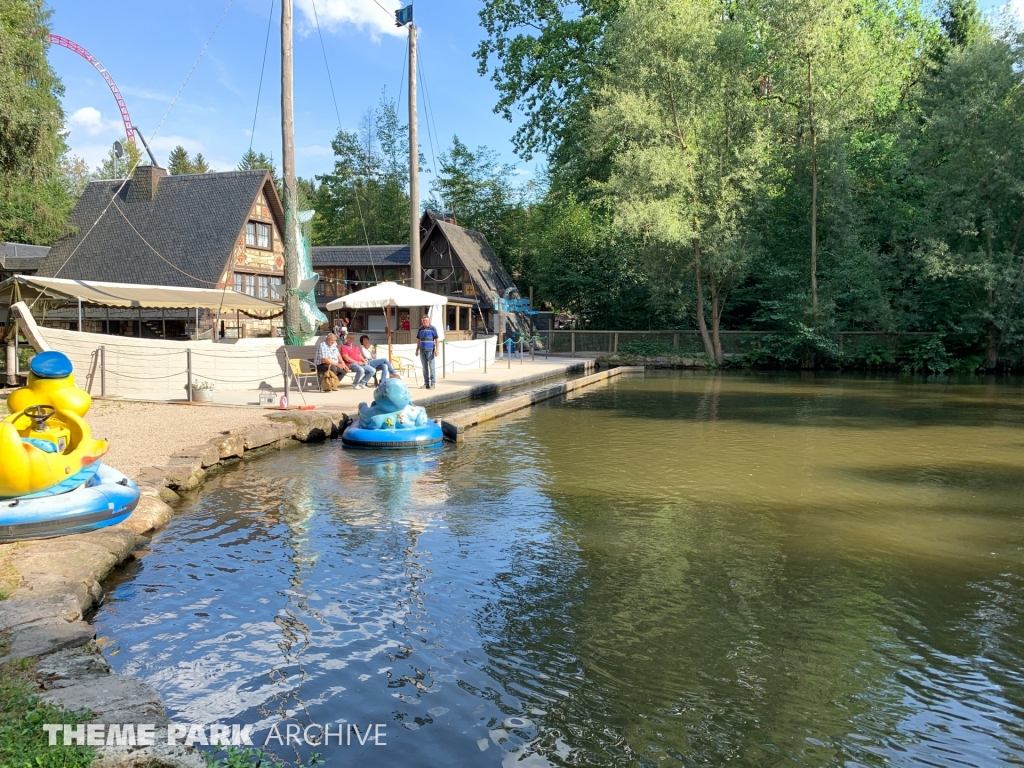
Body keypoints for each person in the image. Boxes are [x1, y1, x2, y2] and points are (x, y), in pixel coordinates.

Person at [415, 314, 439, 389]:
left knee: (432, 367)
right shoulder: (420, 329)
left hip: (430, 350)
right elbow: (418, 340)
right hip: (422, 351)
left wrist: (437, 350)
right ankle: (426, 383)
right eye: (423, 320)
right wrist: (417, 349)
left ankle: (433, 383)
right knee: (424, 368)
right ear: (422, 321)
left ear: (429, 321)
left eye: (426, 320)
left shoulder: (433, 328)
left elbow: (437, 339)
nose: (425, 322)